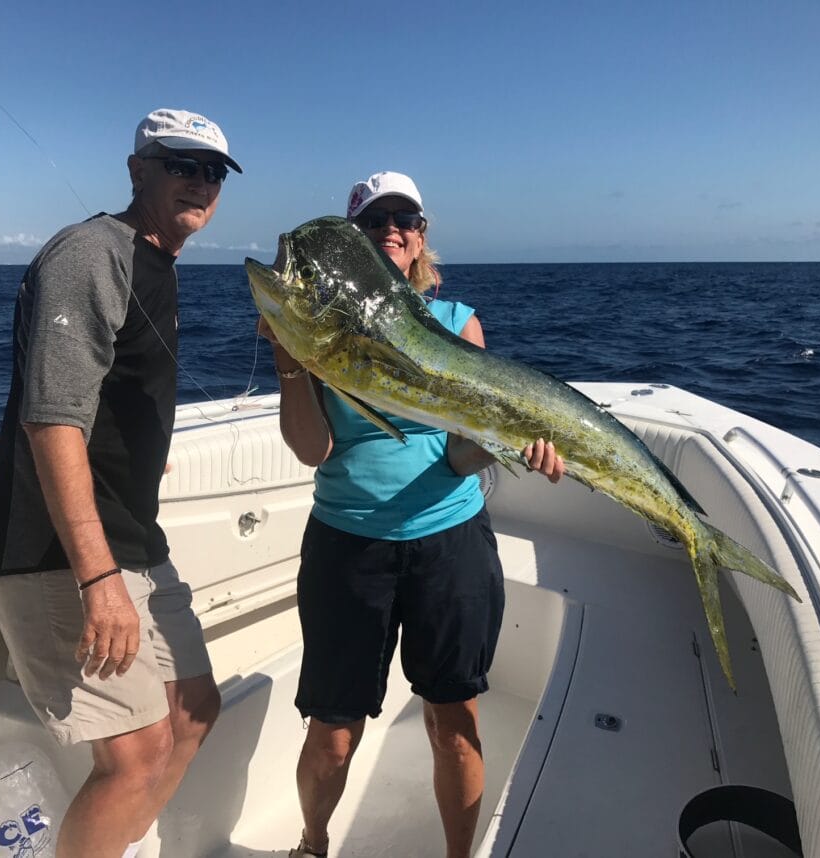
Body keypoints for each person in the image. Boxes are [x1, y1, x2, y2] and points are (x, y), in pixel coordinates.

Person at [259, 171, 565, 858]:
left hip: (449, 545)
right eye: (374, 221)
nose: (391, 230)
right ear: (354, 241)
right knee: (332, 731)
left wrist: (518, 442)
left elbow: (462, 451)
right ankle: (312, 845)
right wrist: (287, 353)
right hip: (347, 546)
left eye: (405, 220)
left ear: (421, 238)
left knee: (453, 723)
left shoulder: (458, 322)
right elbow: (312, 449)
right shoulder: (322, 324)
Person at [0, 108, 242, 858]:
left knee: (192, 711)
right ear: (137, 170)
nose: (200, 182)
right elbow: (51, 418)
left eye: (213, 172)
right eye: (181, 165)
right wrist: (98, 578)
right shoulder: (92, 252)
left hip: (134, 540)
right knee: (135, 757)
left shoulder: (158, 265)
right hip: (56, 551)